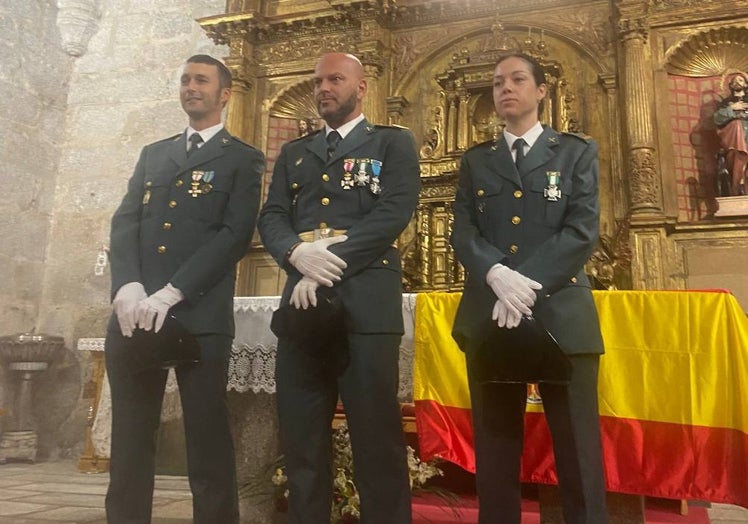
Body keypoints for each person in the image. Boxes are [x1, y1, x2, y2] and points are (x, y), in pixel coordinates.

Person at [258, 52, 420, 524]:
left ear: (362, 87)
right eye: (318, 81)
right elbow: (271, 216)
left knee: (376, 440)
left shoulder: (392, 144)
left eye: (335, 79)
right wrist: (293, 252)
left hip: (365, 306)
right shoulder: (295, 152)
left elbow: (393, 212)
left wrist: (320, 264)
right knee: (302, 441)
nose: (324, 88)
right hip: (303, 312)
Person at [104, 54, 265, 523]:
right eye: (185, 80)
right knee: (131, 437)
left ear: (225, 94)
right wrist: (128, 284)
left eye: (201, 80)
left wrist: (173, 291)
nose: (191, 87)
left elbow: (234, 234)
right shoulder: (154, 154)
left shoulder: (242, 158)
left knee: (207, 436)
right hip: (136, 313)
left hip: (198, 316)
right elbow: (125, 222)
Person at [450, 53, 607, 524]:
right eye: (498, 82)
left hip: (562, 313)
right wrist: (497, 274)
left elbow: (582, 230)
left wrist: (526, 285)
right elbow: (463, 231)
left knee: (578, 448)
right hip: (490, 313)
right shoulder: (477, 161)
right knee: (496, 451)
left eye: (518, 80)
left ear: (541, 91)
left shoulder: (575, 151)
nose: (505, 89)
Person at [714, 72, 748, 195]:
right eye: (734, 80)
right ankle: (736, 189)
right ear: (731, 85)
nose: (737, 82)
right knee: (736, 124)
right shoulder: (726, 103)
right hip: (733, 138)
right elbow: (717, 118)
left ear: (745, 84)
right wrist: (732, 108)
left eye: (741, 80)